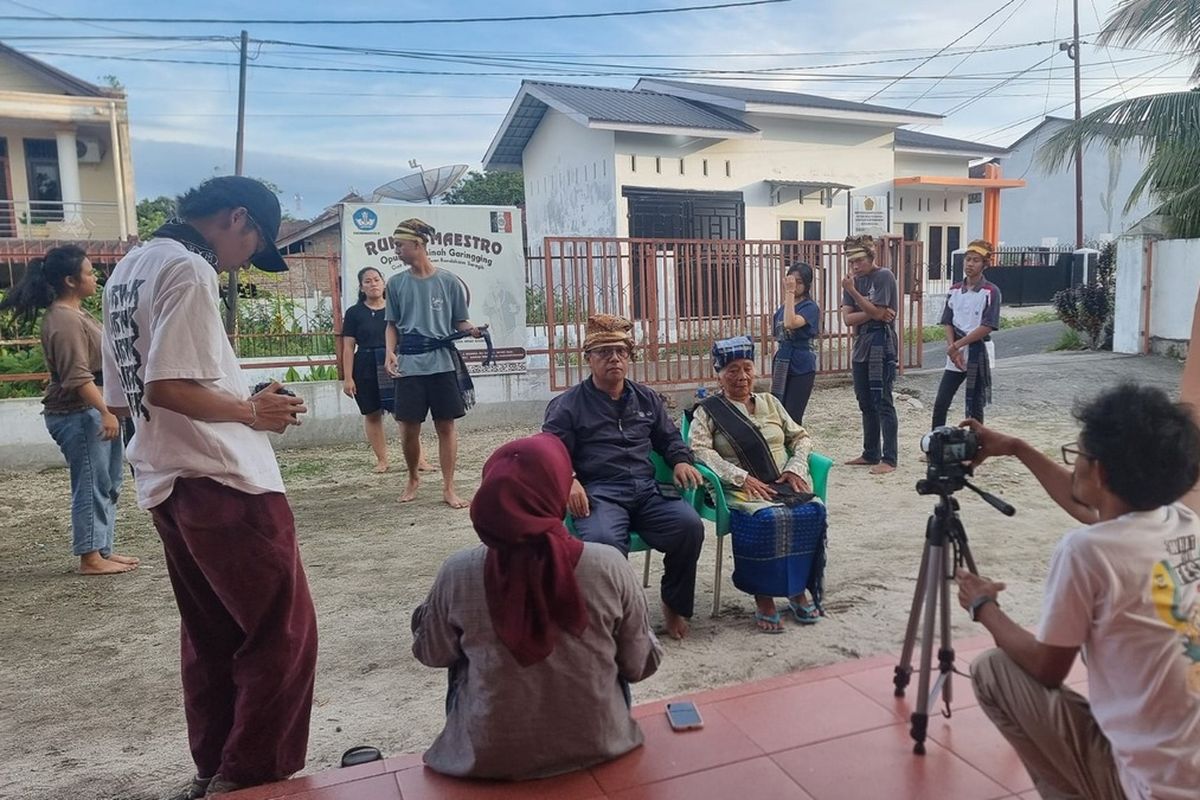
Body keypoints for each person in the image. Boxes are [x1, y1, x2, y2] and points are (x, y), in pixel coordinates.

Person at [100, 176, 318, 799]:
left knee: (212, 636)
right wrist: (253, 414)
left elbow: (129, 395)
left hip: (168, 477)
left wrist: (240, 401)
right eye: (252, 245)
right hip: (226, 480)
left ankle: (214, 770)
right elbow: (171, 386)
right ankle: (252, 777)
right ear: (238, 218)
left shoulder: (127, 272)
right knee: (282, 633)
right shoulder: (190, 269)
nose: (243, 260)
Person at [954, 383, 1200, 800]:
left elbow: (1048, 667)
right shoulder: (1183, 520)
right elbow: (1093, 509)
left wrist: (982, 604)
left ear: (1100, 472)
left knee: (993, 669)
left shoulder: (1087, 551)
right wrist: (1015, 447)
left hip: (1153, 789)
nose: (1075, 467)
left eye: (1078, 456)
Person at [412, 433, 662, 780]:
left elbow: (433, 653)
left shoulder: (458, 572)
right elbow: (638, 666)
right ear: (558, 490)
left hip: (487, 757)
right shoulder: (608, 565)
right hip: (601, 743)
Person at [542, 313, 704, 640]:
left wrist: (680, 460)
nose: (614, 359)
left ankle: (674, 603)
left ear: (629, 356)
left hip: (647, 492)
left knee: (689, 527)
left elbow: (669, 437)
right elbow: (550, 451)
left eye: (620, 352)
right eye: (604, 352)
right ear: (588, 359)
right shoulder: (568, 405)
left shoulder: (646, 398)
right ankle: (613, 617)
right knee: (603, 544)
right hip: (601, 493)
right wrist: (570, 479)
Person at [0, 246, 137, 575]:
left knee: (108, 481)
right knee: (91, 482)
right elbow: (77, 377)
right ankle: (90, 557)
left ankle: (101, 548)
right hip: (78, 413)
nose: (95, 278)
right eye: (89, 273)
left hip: (94, 408)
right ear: (70, 280)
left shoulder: (75, 313)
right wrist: (105, 412)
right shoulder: (62, 319)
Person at [690, 337, 827, 633]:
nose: (741, 377)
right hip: (739, 488)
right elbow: (699, 451)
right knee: (768, 519)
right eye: (732, 370)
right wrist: (742, 477)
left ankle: (797, 590)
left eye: (747, 368)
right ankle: (763, 597)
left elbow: (800, 438)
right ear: (719, 374)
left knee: (812, 512)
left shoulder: (770, 402)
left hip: (781, 483)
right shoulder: (708, 411)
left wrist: (795, 468)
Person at [382, 218, 482, 508]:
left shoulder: (448, 281)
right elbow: (392, 325)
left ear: (418, 245)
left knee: (446, 426)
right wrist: (391, 352)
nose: (397, 250)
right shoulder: (396, 283)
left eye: (400, 245)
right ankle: (413, 476)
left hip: (442, 363)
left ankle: (449, 488)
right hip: (410, 363)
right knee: (409, 428)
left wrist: (472, 330)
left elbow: (460, 321)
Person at [339, 266, 433, 473]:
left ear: (384, 283)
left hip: (394, 362)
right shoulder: (354, 313)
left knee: (405, 414)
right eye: (367, 281)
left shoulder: (395, 308)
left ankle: (419, 460)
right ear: (361, 287)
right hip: (364, 365)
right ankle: (382, 460)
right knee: (372, 414)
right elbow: (347, 347)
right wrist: (348, 378)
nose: (373, 284)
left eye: (376, 279)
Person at [839, 235, 899, 475]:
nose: (855, 266)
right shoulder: (851, 283)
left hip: (880, 344)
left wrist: (855, 295)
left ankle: (890, 457)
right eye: (851, 261)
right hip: (861, 343)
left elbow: (880, 314)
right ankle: (870, 452)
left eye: (859, 260)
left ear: (871, 257)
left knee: (883, 400)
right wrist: (874, 312)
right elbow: (847, 319)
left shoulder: (884, 276)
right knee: (864, 401)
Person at [931, 239, 1001, 429]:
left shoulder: (990, 291)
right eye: (968, 259)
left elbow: (987, 325)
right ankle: (936, 442)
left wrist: (958, 345)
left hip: (978, 349)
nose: (970, 264)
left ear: (985, 264)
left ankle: (975, 444)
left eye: (976, 260)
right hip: (957, 350)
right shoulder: (955, 290)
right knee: (942, 400)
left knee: (974, 403)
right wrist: (952, 348)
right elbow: (948, 320)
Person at [771, 261, 821, 425]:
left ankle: (798, 448)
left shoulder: (810, 307)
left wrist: (790, 292)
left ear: (807, 285)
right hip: (782, 361)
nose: (794, 285)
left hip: (801, 364)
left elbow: (790, 323)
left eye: (799, 282)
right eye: (791, 281)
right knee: (777, 411)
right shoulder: (784, 307)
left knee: (793, 415)